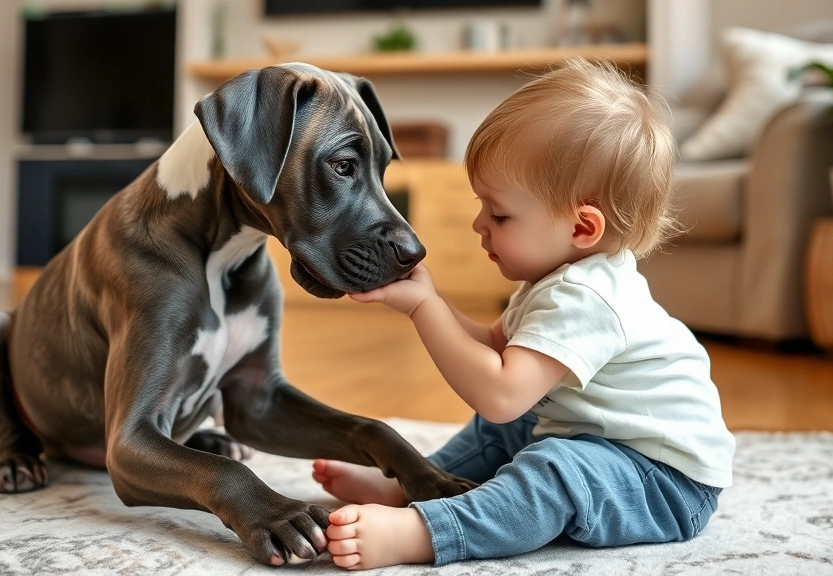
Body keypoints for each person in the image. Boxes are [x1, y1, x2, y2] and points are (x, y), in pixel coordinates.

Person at [310, 57, 735, 570]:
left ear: (582, 228)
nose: (479, 224)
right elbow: (496, 347)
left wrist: (426, 310)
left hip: (664, 483)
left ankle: (426, 531)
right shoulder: (552, 282)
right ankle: (416, 483)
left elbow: (501, 395)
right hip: (608, 443)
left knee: (555, 469)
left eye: (500, 213)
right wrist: (429, 300)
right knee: (508, 433)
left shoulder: (586, 298)